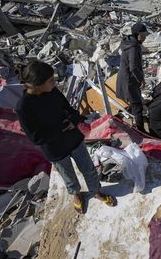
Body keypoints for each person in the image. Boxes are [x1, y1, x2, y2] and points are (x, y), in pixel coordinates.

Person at [15, 60, 116, 214]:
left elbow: (69, 110)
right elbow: (36, 137)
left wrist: (73, 121)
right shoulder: (23, 107)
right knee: (68, 176)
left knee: (88, 169)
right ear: (37, 85)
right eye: (50, 81)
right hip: (55, 149)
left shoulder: (52, 92)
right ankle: (76, 195)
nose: (54, 83)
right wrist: (63, 127)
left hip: (73, 139)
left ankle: (96, 191)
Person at [116, 22, 149, 132]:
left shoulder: (129, 43)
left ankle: (133, 124)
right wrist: (141, 80)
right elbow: (133, 67)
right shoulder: (133, 48)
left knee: (134, 103)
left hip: (127, 78)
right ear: (137, 34)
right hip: (129, 80)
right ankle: (141, 131)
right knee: (137, 105)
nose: (144, 38)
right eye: (143, 35)